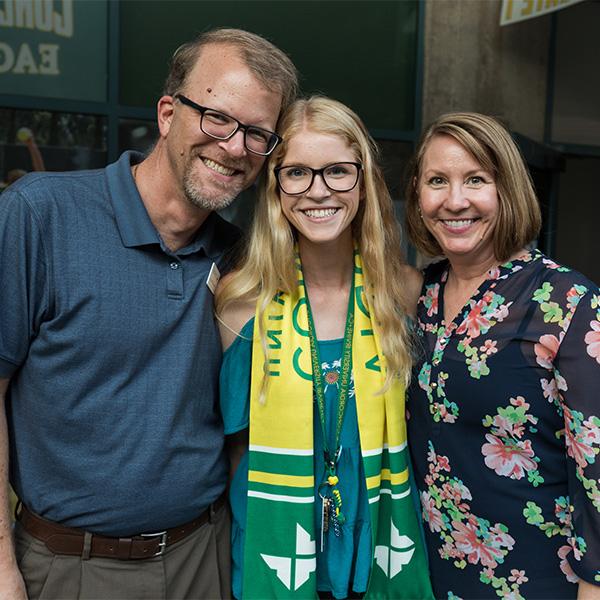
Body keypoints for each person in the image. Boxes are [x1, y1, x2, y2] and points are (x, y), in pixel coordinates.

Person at [0, 28, 298, 600]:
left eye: (258, 135)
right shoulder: (40, 216)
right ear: (167, 113)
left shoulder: (242, 259)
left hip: (203, 558)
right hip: (69, 567)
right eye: (217, 118)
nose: (235, 147)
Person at [216, 96, 433, 599]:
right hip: (277, 557)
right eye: (296, 173)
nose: (318, 192)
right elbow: (235, 454)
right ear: (275, 187)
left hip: (378, 544)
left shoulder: (404, 292)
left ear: (364, 181)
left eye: (337, 171)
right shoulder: (240, 304)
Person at [404, 112, 600, 598]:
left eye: (476, 179)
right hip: (427, 574)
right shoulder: (419, 294)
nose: (455, 200)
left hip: (539, 579)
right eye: (437, 181)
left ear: (507, 189)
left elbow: (596, 465)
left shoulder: (568, 303)